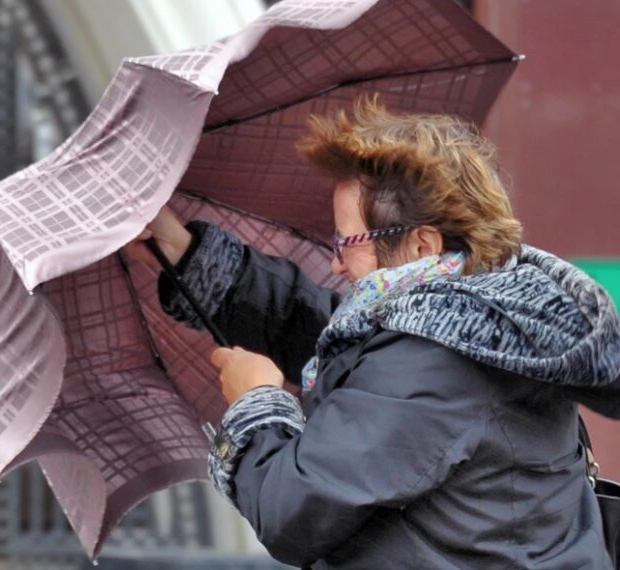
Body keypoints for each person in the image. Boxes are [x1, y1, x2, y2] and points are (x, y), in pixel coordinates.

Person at [125, 96, 620, 568]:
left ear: (421, 244)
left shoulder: (435, 360)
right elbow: (343, 345)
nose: (336, 262)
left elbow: (292, 510)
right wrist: (188, 255)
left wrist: (255, 406)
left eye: (348, 242)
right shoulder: (480, 321)